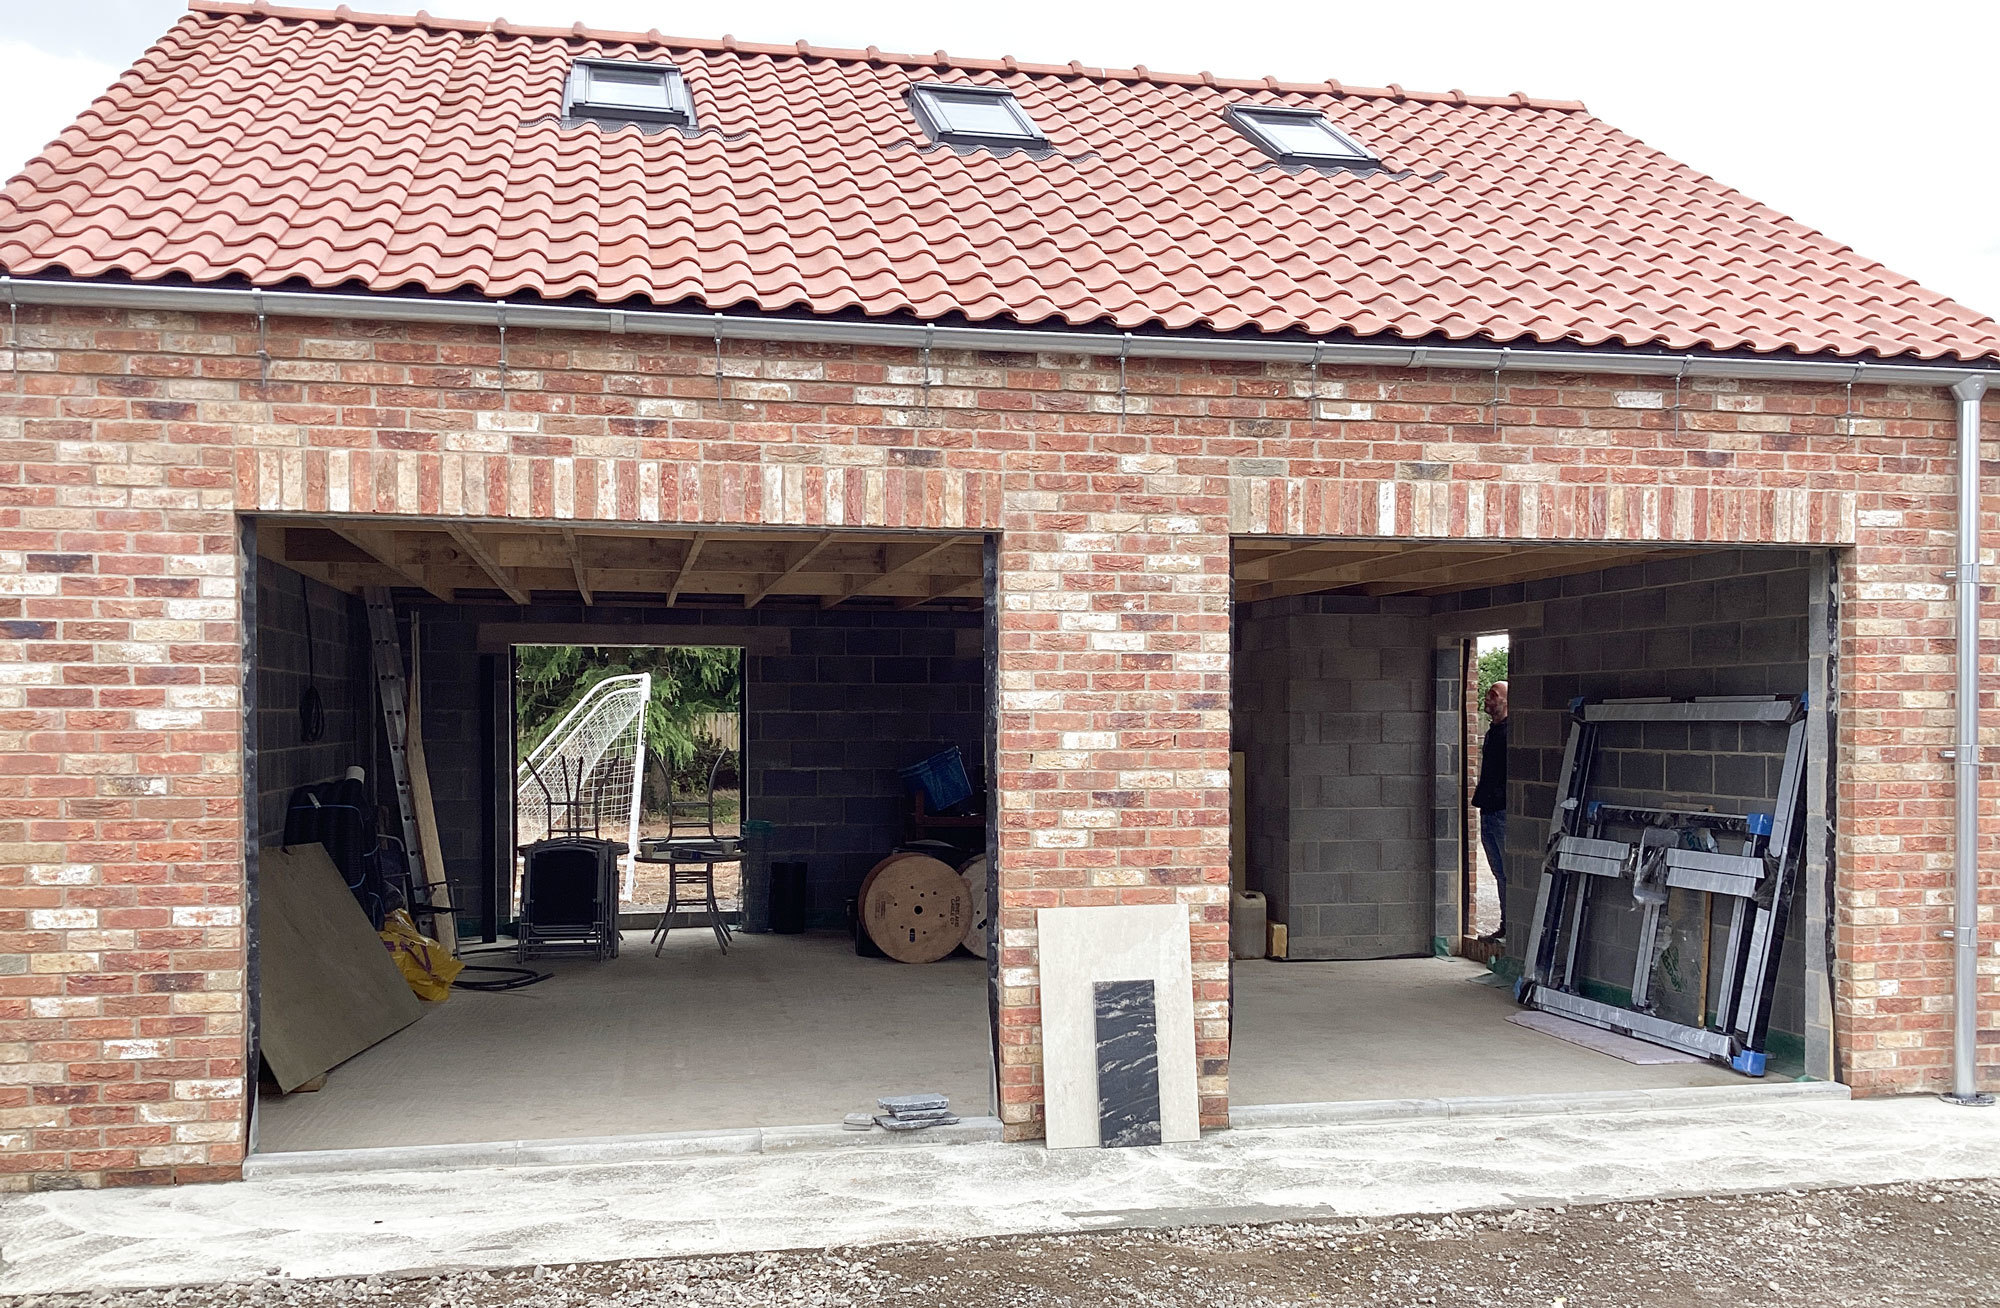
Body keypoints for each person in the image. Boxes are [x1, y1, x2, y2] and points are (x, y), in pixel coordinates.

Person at [1470, 679, 1509, 942]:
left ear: (1507, 700)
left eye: (1493, 695)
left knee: (1508, 873)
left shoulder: (1510, 733)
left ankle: (1511, 927)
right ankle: (1505, 925)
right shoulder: (1492, 732)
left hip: (1503, 813)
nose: (1487, 699)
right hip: (1488, 811)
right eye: (1487, 695)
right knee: (1498, 872)